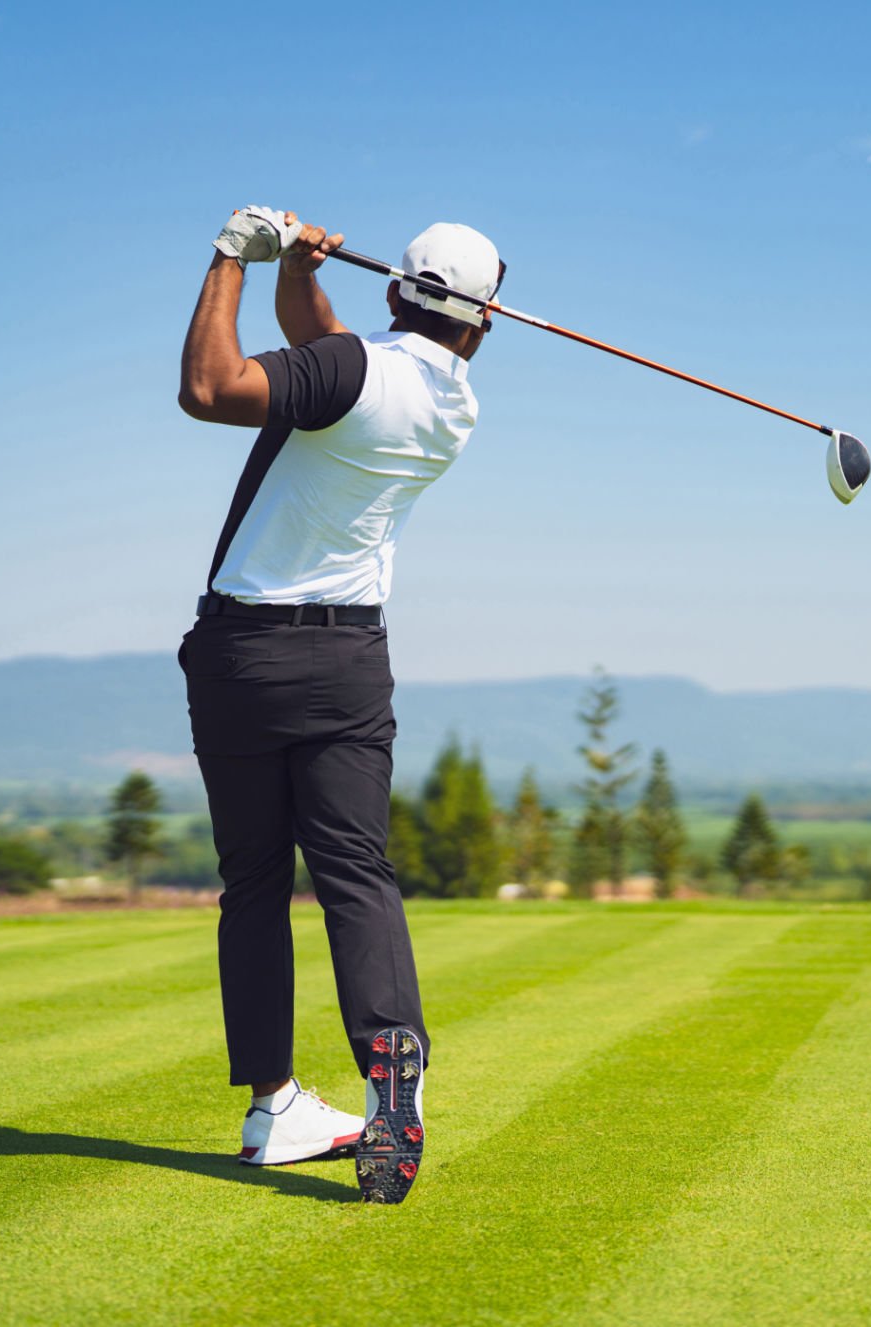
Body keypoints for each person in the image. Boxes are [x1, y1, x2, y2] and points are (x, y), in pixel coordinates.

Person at [176, 206, 502, 1202]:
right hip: (351, 656)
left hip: (243, 654)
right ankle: (389, 1056)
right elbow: (333, 358)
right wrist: (298, 273)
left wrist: (233, 256)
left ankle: (272, 1102)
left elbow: (210, 389)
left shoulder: (352, 369)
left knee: (253, 883)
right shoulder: (454, 404)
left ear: (396, 288)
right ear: (483, 321)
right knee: (356, 871)